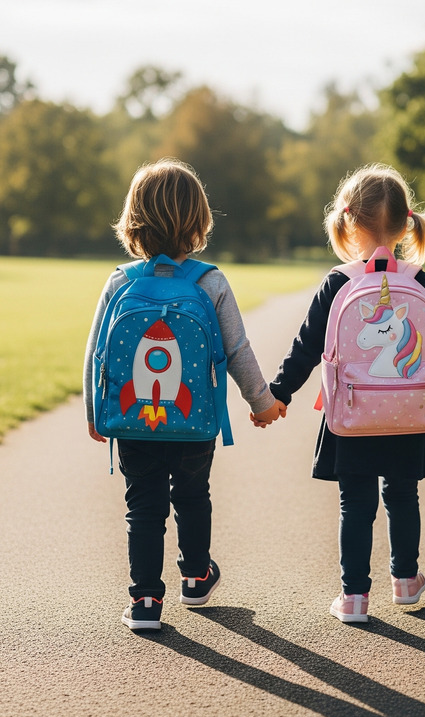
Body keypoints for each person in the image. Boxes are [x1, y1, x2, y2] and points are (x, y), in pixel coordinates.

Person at [84, 158, 286, 631]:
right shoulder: (209, 281)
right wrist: (262, 402)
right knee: (193, 496)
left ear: (133, 220)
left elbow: (96, 353)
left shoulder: (120, 282)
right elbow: (237, 349)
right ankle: (195, 578)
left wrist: (95, 412)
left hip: (134, 423)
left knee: (143, 506)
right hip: (194, 421)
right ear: (198, 222)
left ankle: (145, 602)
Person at [260, 163, 425, 624]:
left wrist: (278, 394)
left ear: (348, 222)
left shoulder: (339, 282)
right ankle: (405, 580)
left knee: (355, 504)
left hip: (353, 415)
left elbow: (306, 347)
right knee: (403, 496)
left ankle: (353, 597)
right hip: (411, 414)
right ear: (406, 224)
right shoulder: (420, 281)